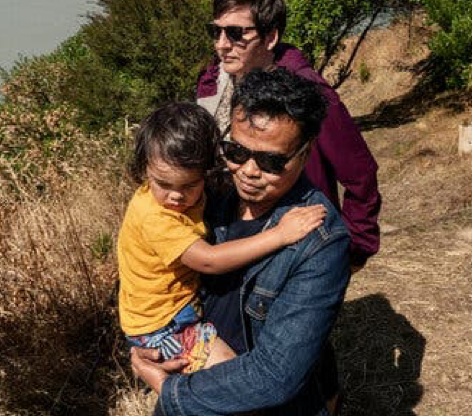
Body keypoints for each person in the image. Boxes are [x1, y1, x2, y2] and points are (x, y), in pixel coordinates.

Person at [132, 68, 351, 416]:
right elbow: (150, 273)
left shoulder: (320, 241)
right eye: (236, 150)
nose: (248, 170)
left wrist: (168, 390)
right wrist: (148, 343)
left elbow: (275, 376)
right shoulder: (206, 191)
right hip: (195, 386)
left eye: (270, 161)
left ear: (305, 154)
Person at [118, 102, 326, 373]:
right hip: (160, 325)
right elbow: (209, 261)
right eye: (163, 184)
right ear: (146, 169)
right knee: (229, 375)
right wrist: (280, 235)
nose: (176, 196)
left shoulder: (185, 193)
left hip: (175, 311)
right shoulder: (155, 218)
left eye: (189, 185)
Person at [196, 0, 381, 268]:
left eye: (235, 34)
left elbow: (360, 173)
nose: (221, 45)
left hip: (293, 240)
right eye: (215, 31)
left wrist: (354, 249)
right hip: (229, 233)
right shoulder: (216, 82)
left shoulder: (308, 93)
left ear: (270, 38)